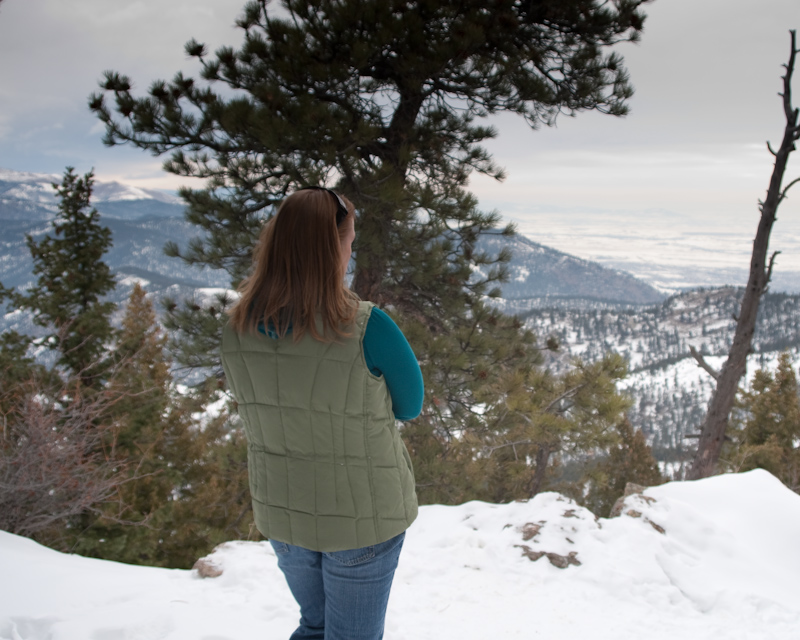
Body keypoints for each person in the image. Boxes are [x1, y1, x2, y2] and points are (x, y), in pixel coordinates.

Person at [220, 187, 423, 640]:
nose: (352, 249)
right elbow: (410, 405)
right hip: (363, 518)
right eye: (350, 239)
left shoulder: (237, 327)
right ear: (335, 246)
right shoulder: (368, 325)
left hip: (283, 513)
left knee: (314, 626)